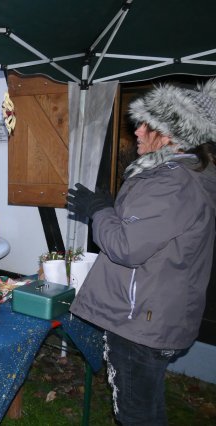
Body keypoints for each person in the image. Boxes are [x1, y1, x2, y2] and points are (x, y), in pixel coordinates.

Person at [67, 79, 216, 425]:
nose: (137, 131)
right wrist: (111, 210)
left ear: (170, 134)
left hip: (141, 320)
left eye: (147, 124)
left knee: (136, 415)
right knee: (146, 408)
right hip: (155, 313)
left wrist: (99, 211)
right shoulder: (188, 175)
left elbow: (126, 246)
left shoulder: (173, 181)